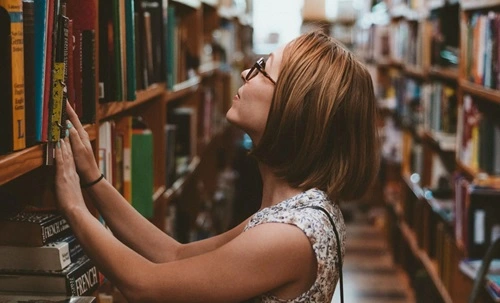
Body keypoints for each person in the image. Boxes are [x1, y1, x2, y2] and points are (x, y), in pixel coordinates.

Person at [54, 30, 379, 303]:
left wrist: (73, 207)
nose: (245, 73)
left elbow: (144, 285)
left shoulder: (289, 234)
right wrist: (94, 180)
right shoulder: (294, 210)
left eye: (262, 68)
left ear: (294, 107)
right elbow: (175, 256)